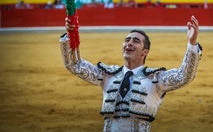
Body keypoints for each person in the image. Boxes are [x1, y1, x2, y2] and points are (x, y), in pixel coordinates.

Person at [59, 16, 202, 132]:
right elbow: (75, 64)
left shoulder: (156, 79)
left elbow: (184, 75)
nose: (129, 43)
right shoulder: (107, 75)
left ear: (145, 52)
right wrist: (71, 36)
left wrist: (192, 43)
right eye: (127, 40)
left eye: (136, 41)